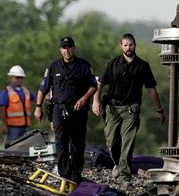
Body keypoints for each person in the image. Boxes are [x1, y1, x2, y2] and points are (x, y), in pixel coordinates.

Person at [92, 33, 165, 182]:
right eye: (125, 45)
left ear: (135, 45)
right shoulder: (112, 64)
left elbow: (151, 89)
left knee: (128, 141)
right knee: (112, 142)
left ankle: (124, 173)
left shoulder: (143, 66)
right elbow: (99, 84)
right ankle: (118, 164)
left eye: (131, 44)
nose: (128, 47)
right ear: (121, 46)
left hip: (131, 109)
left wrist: (159, 110)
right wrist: (96, 101)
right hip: (112, 108)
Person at [34, 36, 97, 183]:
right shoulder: (53, 67)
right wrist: (38, 107)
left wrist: (84, 99)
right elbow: (43, 88)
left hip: (78, 110)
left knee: (77, 144)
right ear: (60, 50)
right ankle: (64, 174)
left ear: (74, 49)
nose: (66, 50)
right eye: (64, 48)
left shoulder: (84, 66)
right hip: (58, 109)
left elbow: (93, 86)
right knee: (60, 143)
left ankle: (75, 175)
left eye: (69, 47)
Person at [0, 65, 37, 143]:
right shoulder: (6, 92)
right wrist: (4, 125)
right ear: (11, 77)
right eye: (17, 77)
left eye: (21, 77)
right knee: (13, 148)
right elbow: (2, 109)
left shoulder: (25, 91)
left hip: (25, 126)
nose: (20, 79)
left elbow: (37, 100)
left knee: (26, 147)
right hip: (12, 128)